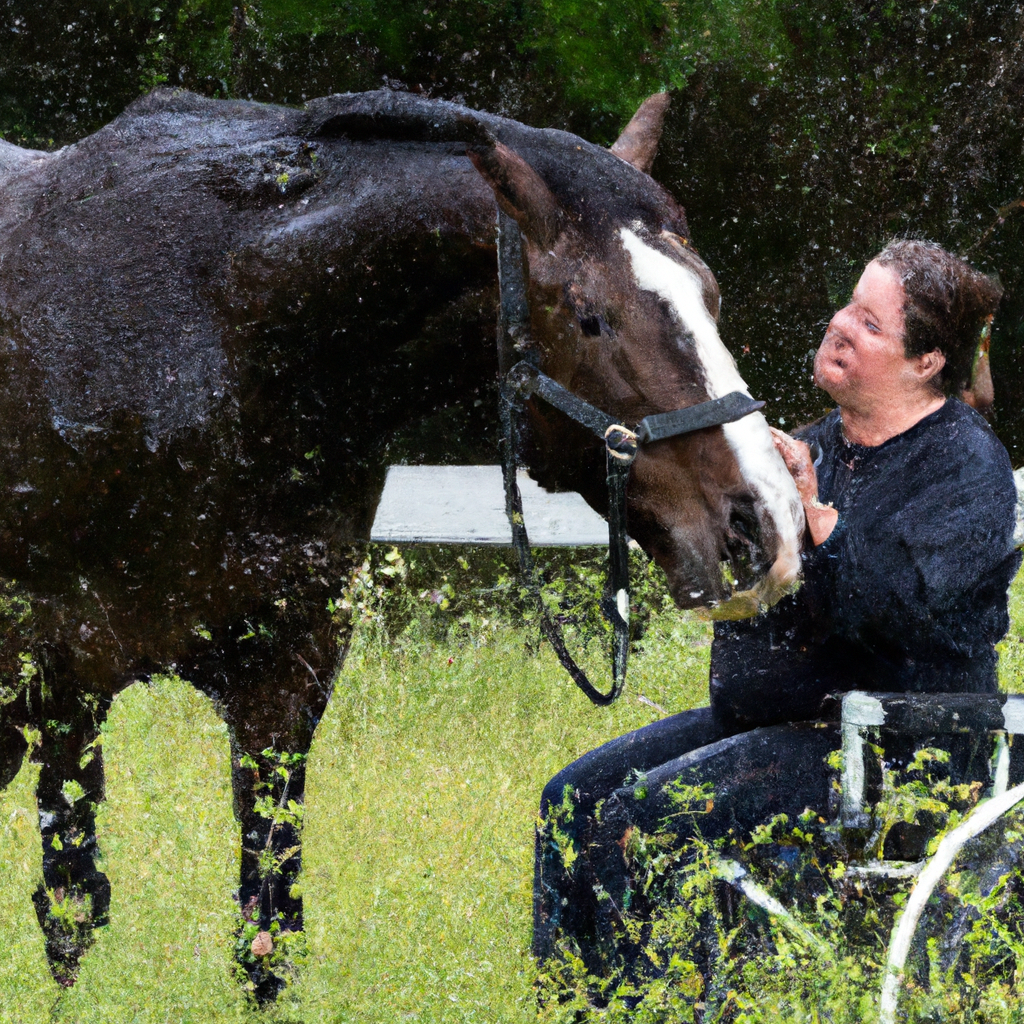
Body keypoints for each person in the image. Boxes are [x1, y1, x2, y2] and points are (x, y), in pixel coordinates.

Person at [537, 237, 1021, 852]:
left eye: (869, 323)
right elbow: (750, 588)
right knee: (569, 802)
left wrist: (821, 521)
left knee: (642, 819)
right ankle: (563, 956)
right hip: (771, 724)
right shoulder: (812, 444)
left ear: (925, 361)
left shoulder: (965, 464)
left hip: (888, 740)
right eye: (849, 305)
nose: (840, 326)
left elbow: (907, 612)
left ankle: (645, 952)